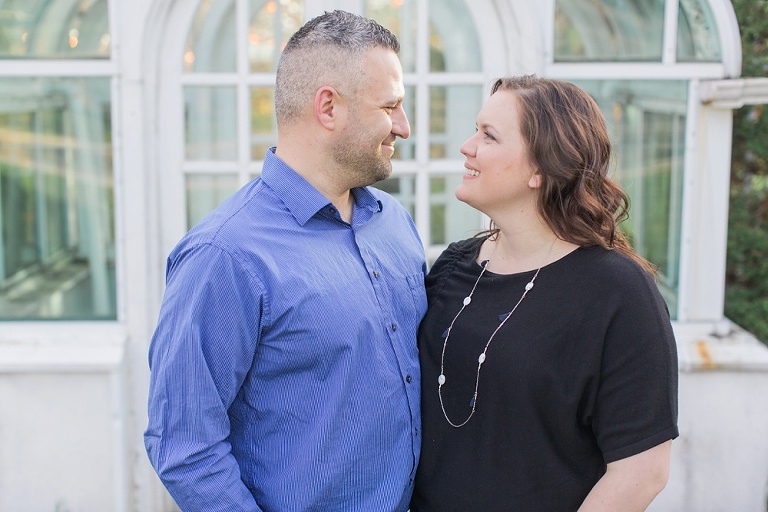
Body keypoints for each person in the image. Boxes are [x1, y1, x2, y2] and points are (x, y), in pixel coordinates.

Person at [144, 10, 426, 512]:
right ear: (328, 107)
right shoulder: (224, 255)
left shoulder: (394, 223)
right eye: (391, 106)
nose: (403, 126)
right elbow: (183, 445)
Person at [410, 75, 678, 511]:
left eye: (488, 136)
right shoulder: (455, 267)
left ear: (541, 168)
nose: (467, 146)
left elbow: (642, 470)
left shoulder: (618, 293)